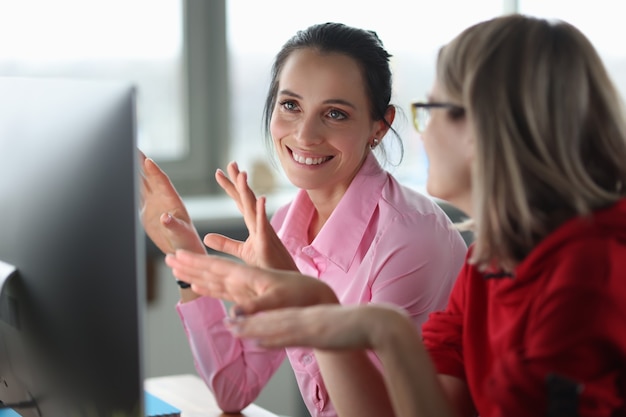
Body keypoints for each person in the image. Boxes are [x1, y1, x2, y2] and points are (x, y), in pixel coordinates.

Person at [165, 14, 626, 417]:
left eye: (432, 110)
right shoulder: (487, 265)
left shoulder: (589, 273)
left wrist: (324, 312)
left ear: (495, 126)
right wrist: (190, 257)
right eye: (290, 105)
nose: (421, 134)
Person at [142, 21, 467, 417]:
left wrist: (296, 292)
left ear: (379, 128)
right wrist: (188, 254)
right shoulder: (285, 224)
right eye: (291, 106)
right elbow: (235, 389)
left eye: (335, 114)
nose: (306, 134)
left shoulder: (411, 239)